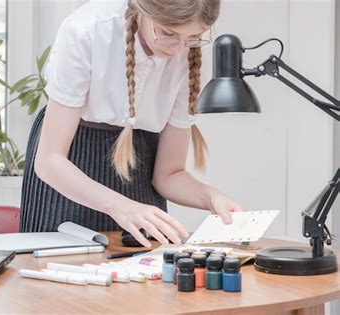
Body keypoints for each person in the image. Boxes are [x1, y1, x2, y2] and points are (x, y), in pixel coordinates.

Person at [19, 0, 243, 247]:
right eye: (169, 33)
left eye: (193, 36)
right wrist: (120, 206)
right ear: (143, 10)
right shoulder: (86, 30)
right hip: (68, 173)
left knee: (141, 275)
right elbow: (49, 161)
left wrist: (211, 197)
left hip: (138, 171)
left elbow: (168, 176)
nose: (178, 49)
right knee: (61, 275)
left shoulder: (188, 54)